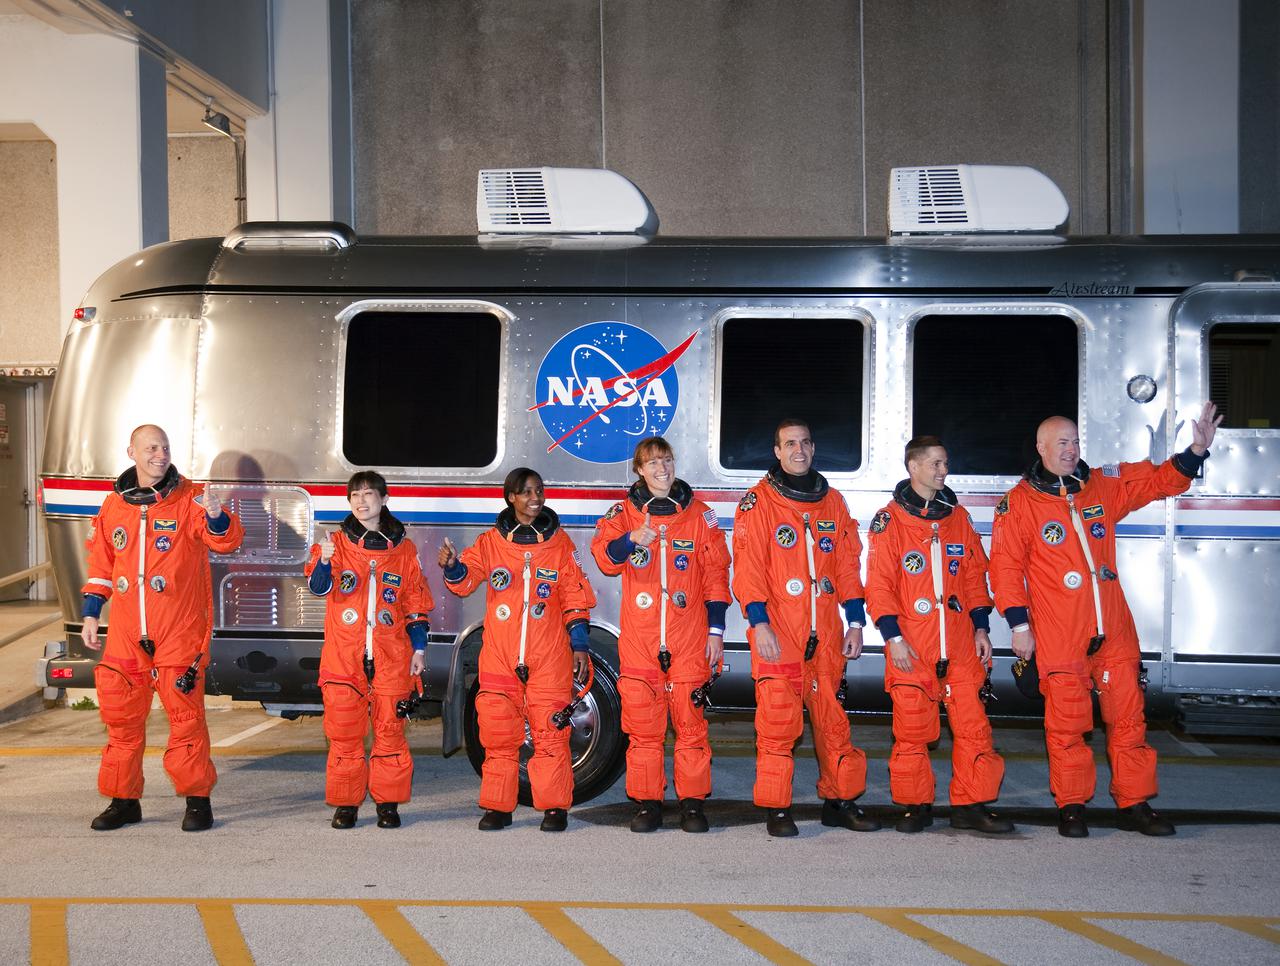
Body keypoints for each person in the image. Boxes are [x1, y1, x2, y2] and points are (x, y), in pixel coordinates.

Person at [989, 402, 1222, 837]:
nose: (1071, 449)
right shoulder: (1019, 504)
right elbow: (1003, 569)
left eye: (1076, 441)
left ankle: (1133, 803)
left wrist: (1195, 451)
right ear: (1040, 447)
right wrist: (1020, 627)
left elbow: (1157, 483)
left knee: (1129, 718)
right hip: (1059, 632)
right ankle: (1072, 806)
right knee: (1067, 724)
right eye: (1062, 442)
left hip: (1112, 628)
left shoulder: (1098, 488)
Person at [80, 424, 244, 832]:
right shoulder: (113, 506)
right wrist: (90, 612)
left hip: (178, 628)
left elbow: (224, 541)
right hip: (125, 630)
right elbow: (101, 563)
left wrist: (218, 516)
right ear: (131, 451)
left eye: (165, 447)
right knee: (121, 719)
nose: (160, 453)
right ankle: (124, 801)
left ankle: (197, 801)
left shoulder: (190, 498)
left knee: (185, 718)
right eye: (151, 447)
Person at [731, 419, 878, 837]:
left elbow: (849, 567)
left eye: (805, 443)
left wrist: (854, 622)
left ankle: (840, 800)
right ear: (777, 451)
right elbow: (749, 571)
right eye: (789, 444)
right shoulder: (758, 503)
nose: (798, 450)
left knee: (833, 723)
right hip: (779, 632)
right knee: (778, 725)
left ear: (813, 449)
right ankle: (778, 809)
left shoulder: (833, 503)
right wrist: (759, 624)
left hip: (827, 634)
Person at [865, 436, 1013, 834]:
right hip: (913, 644)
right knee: (912, 729)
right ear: (913, 467)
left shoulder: (958, 519)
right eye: (935, 464)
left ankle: (971, 804)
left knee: (973, 728)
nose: (943, 471)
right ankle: (916, 806)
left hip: (961, 643)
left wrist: (982, 627)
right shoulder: (890, 520)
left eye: (945, 463)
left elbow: (973, 577)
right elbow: (879, 587)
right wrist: (892, 637)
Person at [438, 467, 595, 831]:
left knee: (551, 734)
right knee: (497, 734)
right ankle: (498, 807)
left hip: (548, 656)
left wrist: (581, 645)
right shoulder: (491, 543)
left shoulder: (560, 545)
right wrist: (452, 567)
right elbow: (464, 582)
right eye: (526, 492)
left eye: (539, 490)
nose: (535, 497)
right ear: (511, 497)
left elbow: (575, 598)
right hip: (500, 656)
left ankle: (554, 808)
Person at [591, 438, 732, 833]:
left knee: (690, 727)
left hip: (689, 638)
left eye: (666, 460)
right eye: (652, 463)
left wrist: (716, 630)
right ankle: (648, 803)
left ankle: (691, 804)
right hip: (641, 641)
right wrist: (630, 539)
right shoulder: (623, 514)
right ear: (639, 470)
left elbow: (718, 574)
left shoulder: (700, 516)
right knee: (644, 730)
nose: (662, 469)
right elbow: (604, 557)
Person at [304, 471, 433, 829]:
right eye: (355, 495)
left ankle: (387, 804)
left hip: (392, 656)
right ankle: (347, 805)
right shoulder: (333, 544)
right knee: (345, 735)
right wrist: (326, 561)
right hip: (345, 658)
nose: (362, 501)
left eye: (369, 494)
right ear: (348, 502)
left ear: (384, 499)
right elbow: (318, 587)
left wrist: (419, 650)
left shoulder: (404, 551)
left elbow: (415, 606)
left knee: (390, 733)